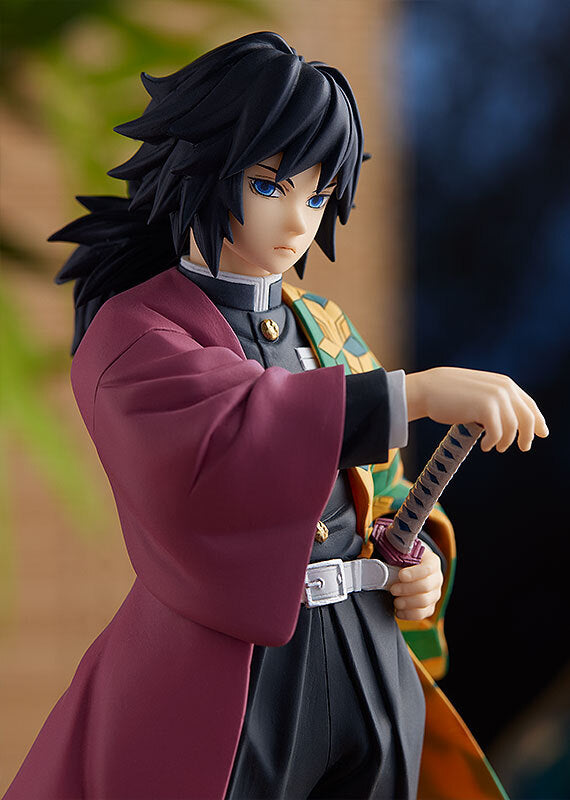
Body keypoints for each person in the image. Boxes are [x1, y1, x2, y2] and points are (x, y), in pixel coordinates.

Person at [6, 32, 547, 799]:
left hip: (364, 650)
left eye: (318, 197)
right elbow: (230, 434)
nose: (297, 222)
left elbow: (381, 492)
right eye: (270, 186)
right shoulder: (133, 334)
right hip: (234, 674)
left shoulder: (321, 324)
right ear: (203, 168)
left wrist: (417, 558)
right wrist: (412, 396)